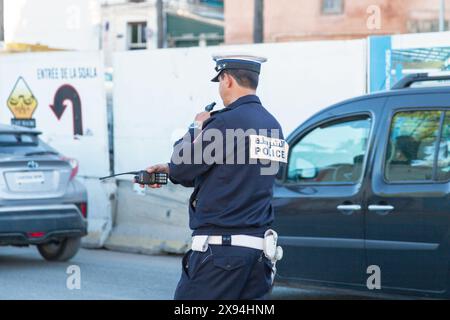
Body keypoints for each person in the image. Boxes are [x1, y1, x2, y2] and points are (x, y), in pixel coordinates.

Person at [137, 55, 287, 300]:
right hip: (259, 255)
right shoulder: (273, 126)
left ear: (227, 79)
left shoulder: (225, 122)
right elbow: (233, 173)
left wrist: (196, 127)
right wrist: (169, 169)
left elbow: (183, 164)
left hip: (221, 255)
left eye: (219, 81)